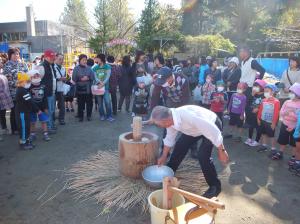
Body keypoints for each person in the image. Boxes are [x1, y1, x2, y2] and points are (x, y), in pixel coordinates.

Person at [147, 105, 229, 198]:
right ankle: (169, 172)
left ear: (165, 120)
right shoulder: (170, 121)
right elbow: (169, 138)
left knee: (203, 155)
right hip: (193, 129)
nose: (159, 126)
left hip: (211, 124)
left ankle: (215, 186)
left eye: (158, 124)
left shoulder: (188, 116)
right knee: (180, 146)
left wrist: (222, 150)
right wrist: (164, 155)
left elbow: (213, 131)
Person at [3, 48, 28, 134]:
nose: (16, 56)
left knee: (23, 109)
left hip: (24, 91)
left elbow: (27, 75)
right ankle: (14, 129)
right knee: (14, 111)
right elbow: (8, 80)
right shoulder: (7, 65)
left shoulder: (23, 64)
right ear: (10, 55)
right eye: (14, 54)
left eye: (17, 54)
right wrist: (18, 84)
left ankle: (22, 126)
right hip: (14, 92)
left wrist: (26, 81)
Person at [274, 83, 300, 160]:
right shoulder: (287, 102)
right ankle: (280, 152)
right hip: (285, 124)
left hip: (295, 127)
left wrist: (294, 113)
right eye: (290, 92)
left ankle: (293, 156)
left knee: (294, 143)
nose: (290, 94)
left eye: (292, 92)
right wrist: (286, 112)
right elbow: (281, 112)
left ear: (298, 94)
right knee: (283, 139)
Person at [15, 72, 39, 150]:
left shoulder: (23, 89)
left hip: (25, 111)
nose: (29, 83)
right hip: (22, 113)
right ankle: (23, 143)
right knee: (24, 127)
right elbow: (30, 101)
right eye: (27, 81)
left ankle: (26, 140)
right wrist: (37, 110)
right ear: (22, 82)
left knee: (27, 126)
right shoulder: (22, 91)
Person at [28, 70, 50, 142]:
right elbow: (29, 100)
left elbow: (45, 98)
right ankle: (32, 134)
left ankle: (45, 134)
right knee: (32, 122)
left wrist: (46, 107)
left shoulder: (43, 86)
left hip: (42, 107)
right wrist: (36, 109)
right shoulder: (29, 87)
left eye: (37, 75)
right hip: (32, 108)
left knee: (44, 121)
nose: (36, 77)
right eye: (34, 76)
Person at [257, 84, 280, 153]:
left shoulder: (276, 102)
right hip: (263, 120)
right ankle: (264, 145)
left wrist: (273, 123)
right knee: (263, 133)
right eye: (265, 91)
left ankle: (273, 148)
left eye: (267, 91)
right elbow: (260, 109)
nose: (265, 93)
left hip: (270, 122)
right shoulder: (263, 100)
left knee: (271, 135)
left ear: (272, 92)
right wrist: (258, 118)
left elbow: (276, 113)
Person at [72, 54, 95, 122]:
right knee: (80, 104)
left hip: (88, 89)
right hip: (80, 88)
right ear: (79, 61)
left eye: (85, 60)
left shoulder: (89, 68)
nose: (85, 61)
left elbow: (92, 77)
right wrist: (81, 79)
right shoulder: (76, 68)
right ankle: (81, 116)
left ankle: (89, 116)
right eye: (83, 60)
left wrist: (87, 78)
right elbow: (73, 78)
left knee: (89, 103)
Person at [244, 79, 266, 147]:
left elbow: (265, 105)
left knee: (258, 127)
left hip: (259, 115)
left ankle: (257, 140)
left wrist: (258, 108)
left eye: (257, 86)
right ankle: (249, 138)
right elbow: (247, 102)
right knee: (251, 126)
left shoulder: (264, 96)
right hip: (251, 114)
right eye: (254, 86)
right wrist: (252, 95)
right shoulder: (253, 94)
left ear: (262, 88)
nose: (255, 88)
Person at [92, 54, 114, 122]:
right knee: (100, 103)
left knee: (107, 102)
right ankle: (102, 115)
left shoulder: (107, 66)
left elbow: (108, 76)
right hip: (98, 87)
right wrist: (99, 82)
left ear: (101, 59)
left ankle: (109, 116)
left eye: (97, 58)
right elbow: (95, 77)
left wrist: (103, 83)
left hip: (105, 88)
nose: (96, 60)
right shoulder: (95, 67)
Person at [40, 49, 57, 133]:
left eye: (53, 57)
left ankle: (51, 125)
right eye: (51, 57)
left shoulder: (51, 65)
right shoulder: (42, 66)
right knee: (48, 111)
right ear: (46, 57)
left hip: (52, 92)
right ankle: (49, 127)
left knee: (52, 110)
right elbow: (37, 80)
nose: (53, 58)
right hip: (47, 93)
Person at [0, 67, 14, 141]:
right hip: (4, 98)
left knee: (3, 115)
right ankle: (4, 128)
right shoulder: (3, 76)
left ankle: (4, 128)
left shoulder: (2, 76)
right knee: (3, 115)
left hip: (4, 98)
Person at [54, 53, 67, 125]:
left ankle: (61, 119)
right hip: (53, 89)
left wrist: (65, 79)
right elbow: (51, 78)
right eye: (60, 59)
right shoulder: (52, 67)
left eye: (62, 59)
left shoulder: (63, 68)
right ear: (55, 58)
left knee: (62, 105)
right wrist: (59, 79)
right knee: (52, 106)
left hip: (61, 88)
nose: (61, 61)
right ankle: (52, 120)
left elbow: (65, 77)